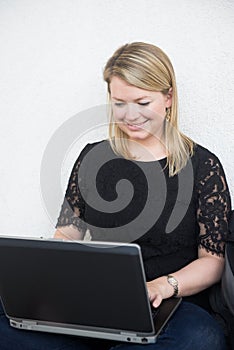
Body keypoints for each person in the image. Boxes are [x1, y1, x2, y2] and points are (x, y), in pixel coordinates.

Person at [0, 42, 231, 349]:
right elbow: (67, 236)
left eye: (141, 101)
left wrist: (164, 286)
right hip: (99, 300)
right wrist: (46, 283)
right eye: (119, 102)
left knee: (202, 339)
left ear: (168, 98)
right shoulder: (92, 158)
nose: (130, 115)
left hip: (173, 308)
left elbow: (212, 262)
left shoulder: (203, 165)